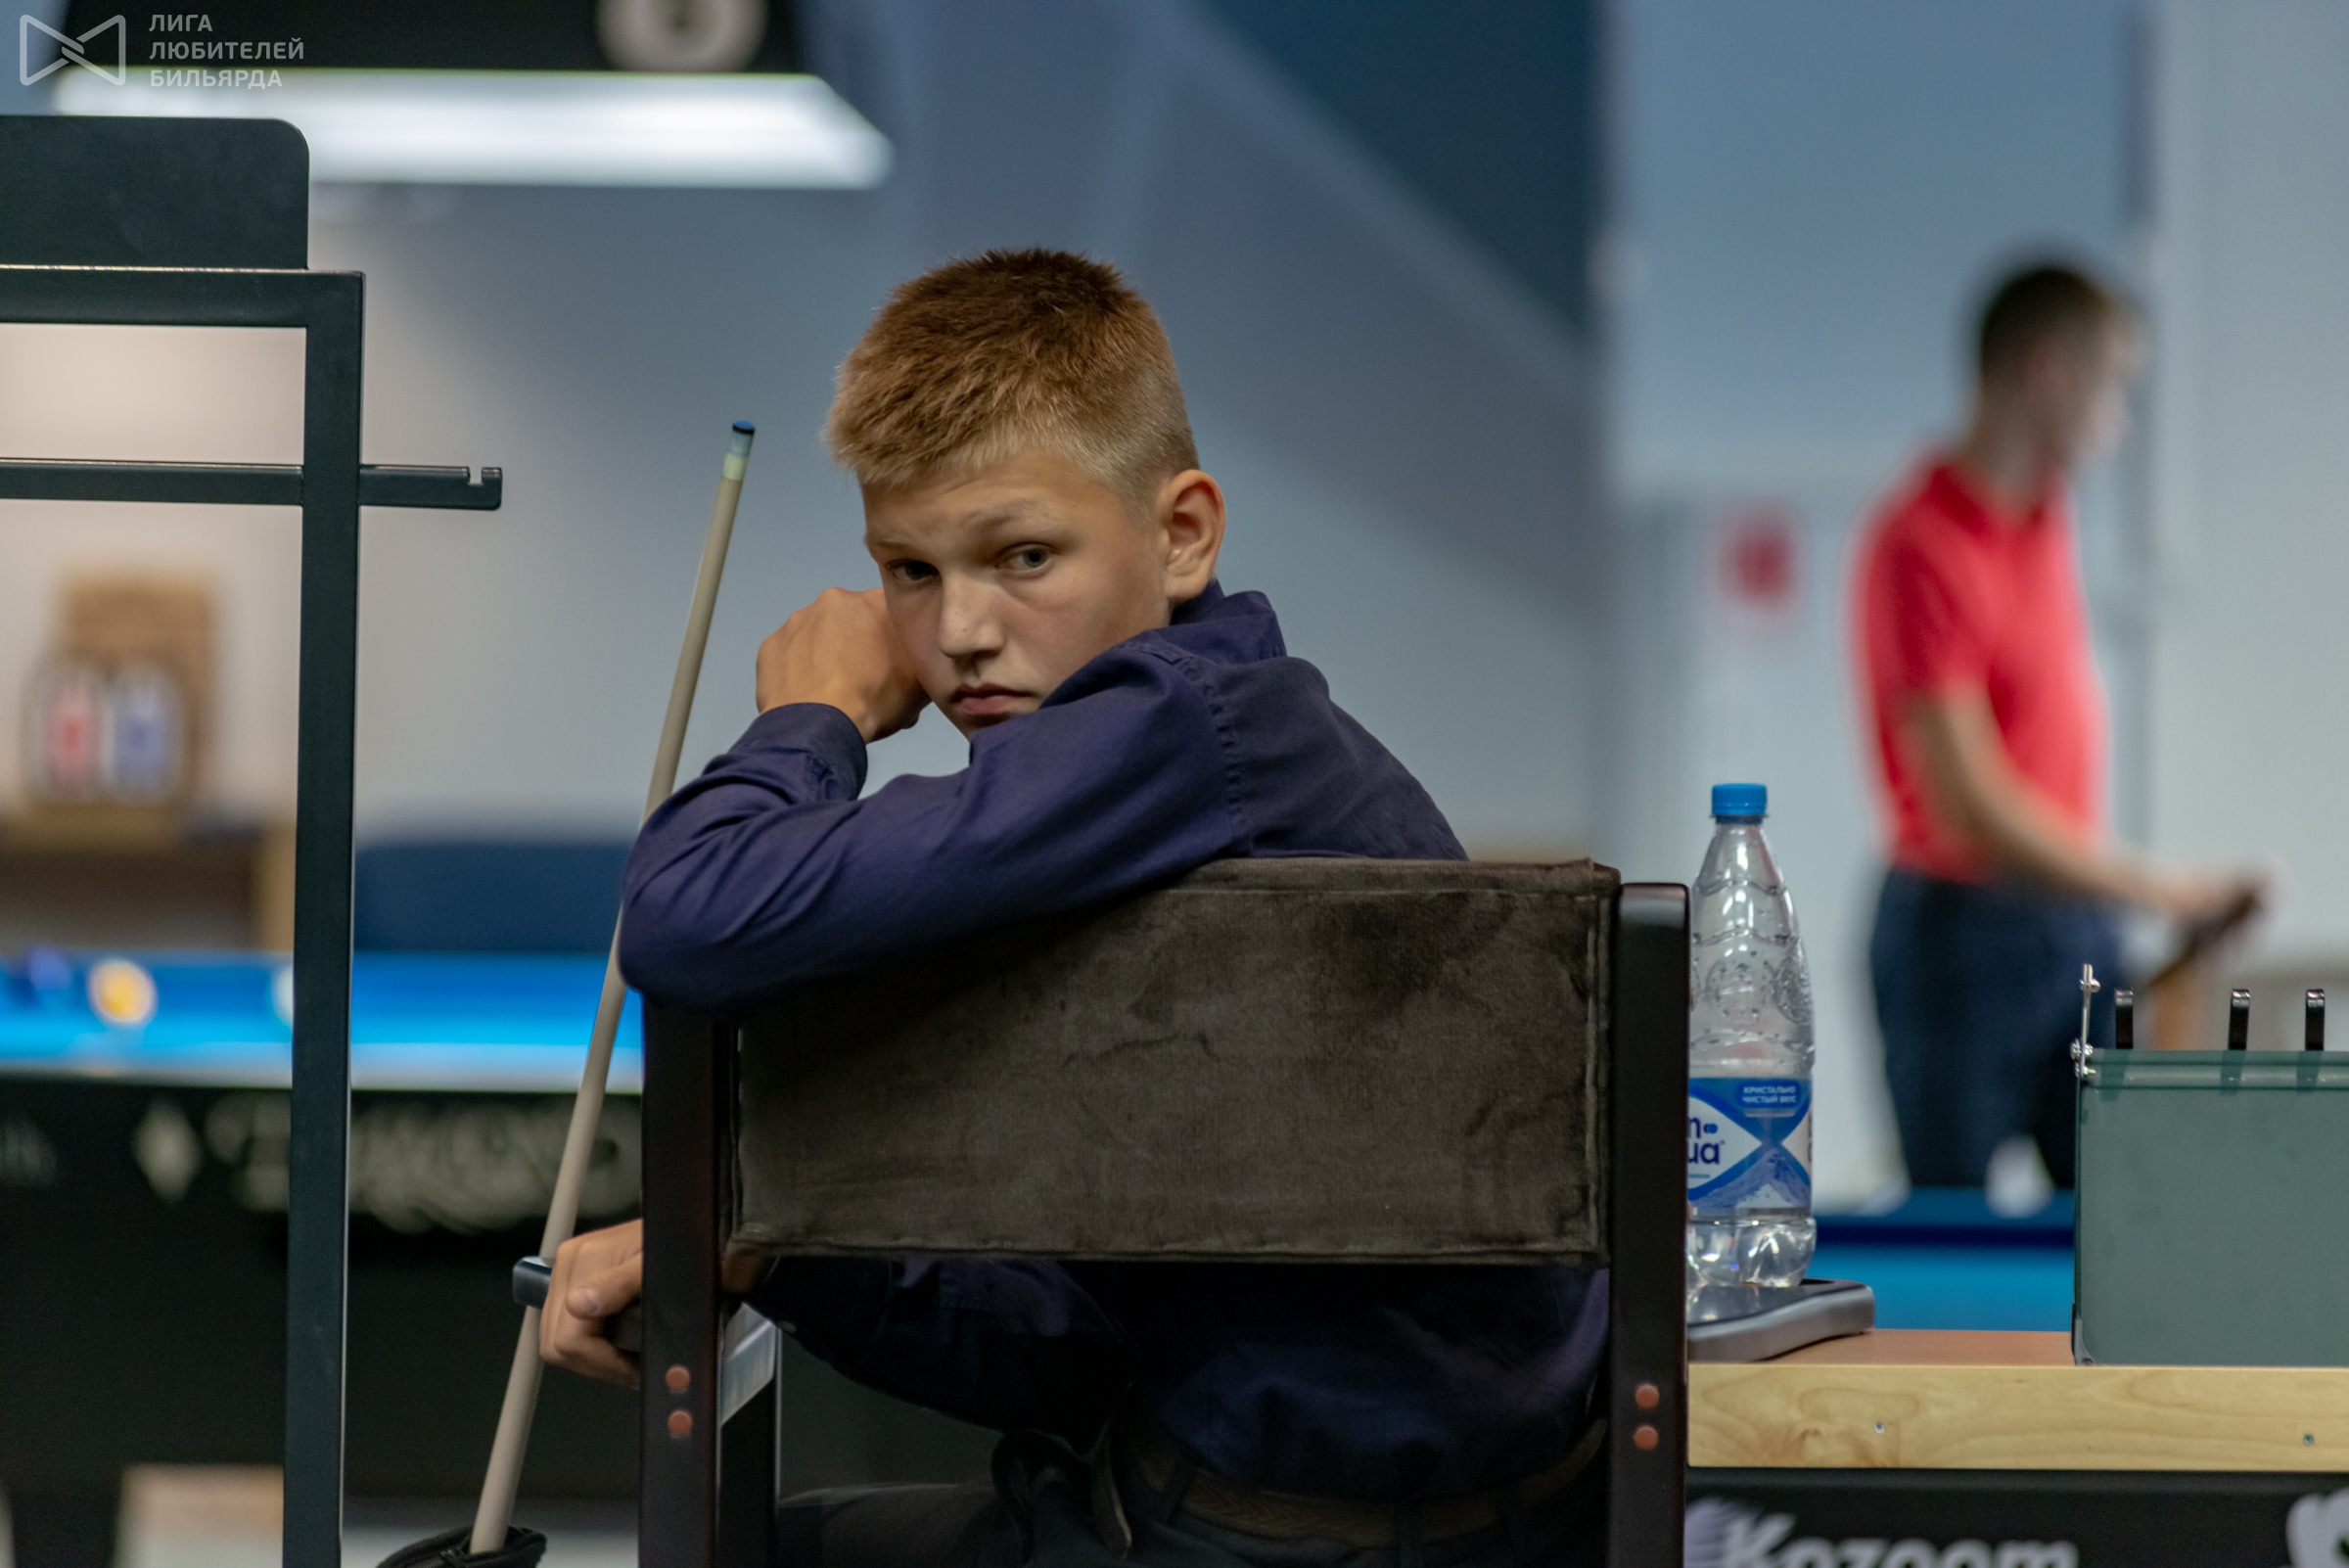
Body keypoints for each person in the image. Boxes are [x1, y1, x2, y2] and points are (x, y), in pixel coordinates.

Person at [539, 251, 1609, 1566]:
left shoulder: (1182, 727)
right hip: (1383, 1516)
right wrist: (780, 1254)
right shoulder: (1187, 779)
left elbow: (687, 916)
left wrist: (811, 718)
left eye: (1025, 556)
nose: (960, 631)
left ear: (1183, 534)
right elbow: (1069, 1355)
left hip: (1267, 1533)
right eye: (910, 571)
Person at [1854, 260, 2260, 1192]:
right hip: (1959, 937)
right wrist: (2164, 888)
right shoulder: (1921, 542)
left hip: (2072, 929)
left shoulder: (2045, 522)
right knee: (1955, 1226)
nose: (2120, 425)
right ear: (2048, 372)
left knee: (2112, 1213)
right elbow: (1971, 804)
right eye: (2112, 390)